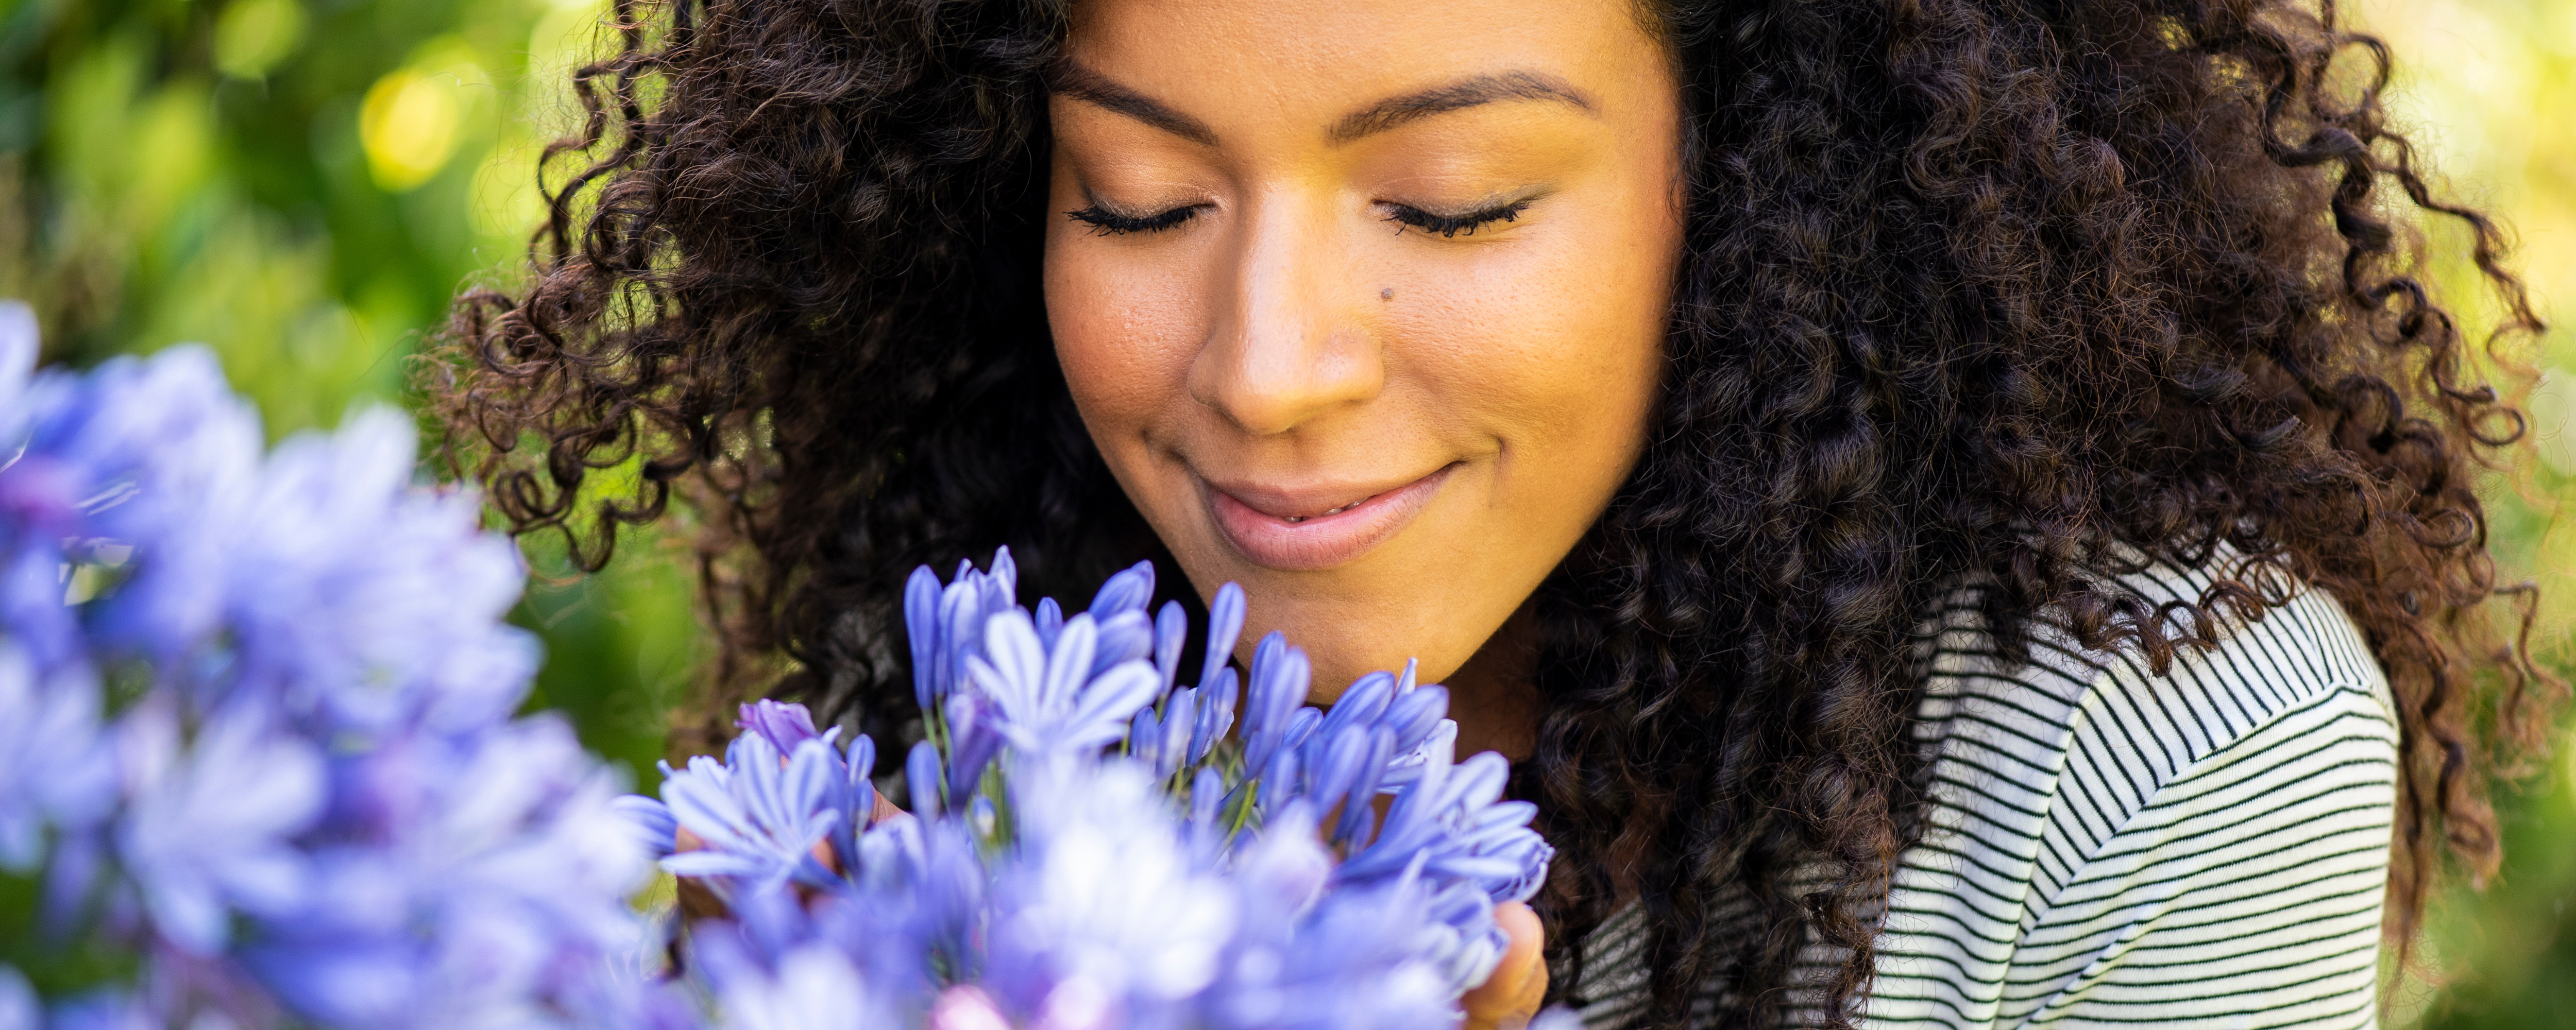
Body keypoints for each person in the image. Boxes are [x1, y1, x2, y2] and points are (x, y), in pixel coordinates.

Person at [432, 0, 2557, 1025]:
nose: (1267, 366)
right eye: (1137, 196)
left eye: (1450, 201)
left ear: (1744, 178)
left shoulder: (2152, 753)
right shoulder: (1023, 715)